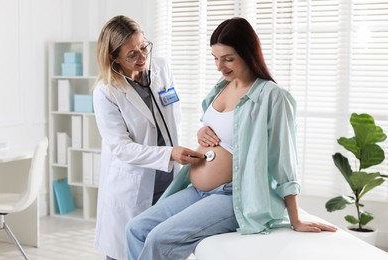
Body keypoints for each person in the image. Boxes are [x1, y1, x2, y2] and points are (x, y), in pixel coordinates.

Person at [125, 17, 338, 260]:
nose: (220, 66)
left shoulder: (272, 96)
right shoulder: (221, 86)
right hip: (196, 189)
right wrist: (202, 131)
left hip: (234, 196)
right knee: (136, 229)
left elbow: (284, 159)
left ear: (249, 53)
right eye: (215, 58)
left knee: (158, 238)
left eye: (228, 59)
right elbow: (223, 129)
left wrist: (295, 217)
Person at [92, 15, 204, 260]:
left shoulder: (161, 68)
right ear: (113, 57)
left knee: (162, 249)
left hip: (169, 179)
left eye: (144, 47)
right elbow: (121, 148)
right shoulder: (106, 92)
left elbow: (174, 114)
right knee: (126, 251)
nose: (142, 57)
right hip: (133, 184)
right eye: (132, 54)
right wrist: (169, 153)